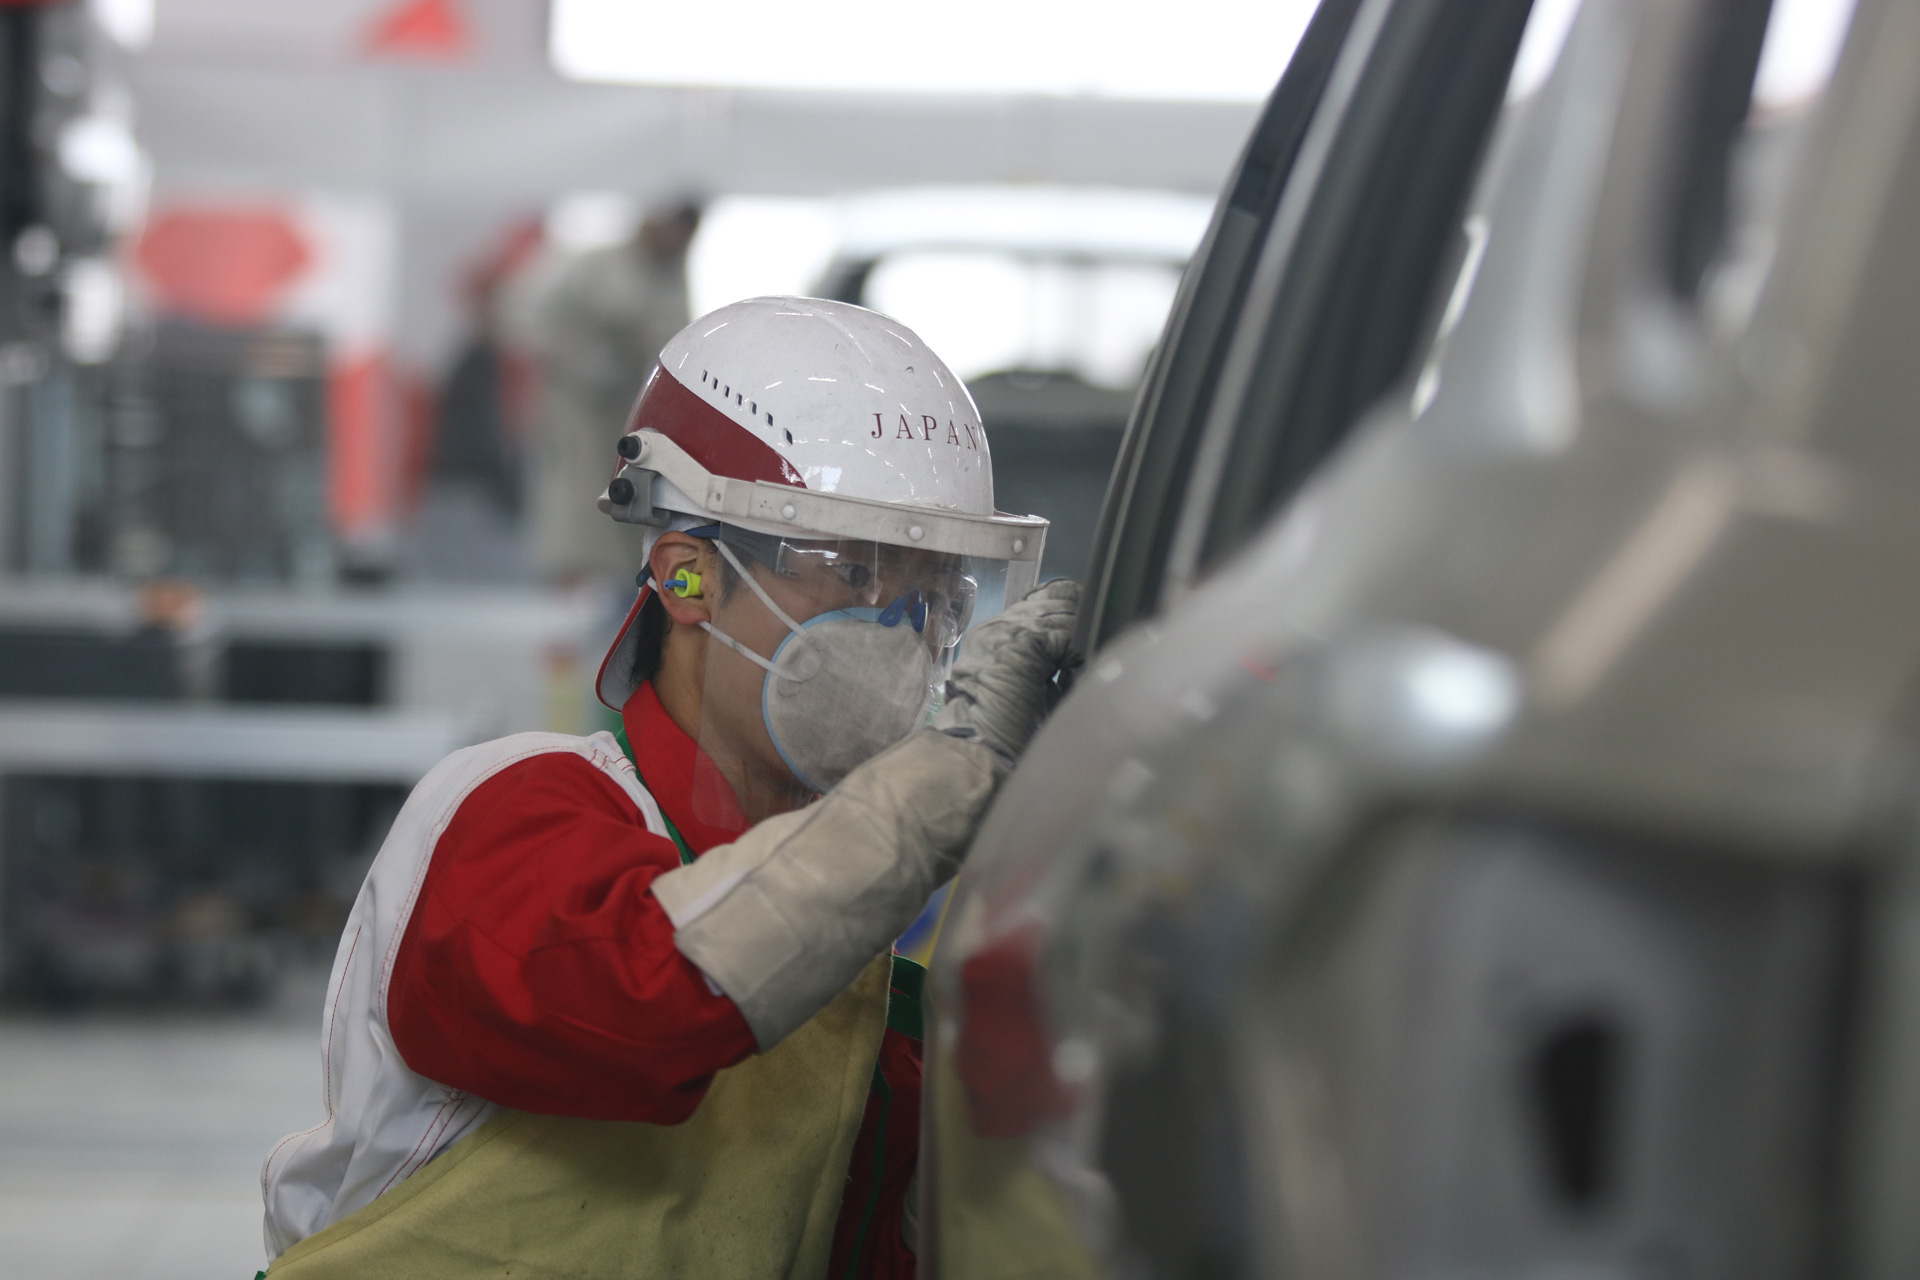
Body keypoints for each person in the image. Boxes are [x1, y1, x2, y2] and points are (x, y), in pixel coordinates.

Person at [259, 296, 1078, 1279]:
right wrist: (951, 775)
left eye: (938, 590)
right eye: (858, 572)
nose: (908, 628)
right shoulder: (513, 807)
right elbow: (645, 999)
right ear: (687, 577)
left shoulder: (860, 971)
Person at [527, 199, 702, 584]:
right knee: (576, 504)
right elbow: (537, 318)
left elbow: (675, 340)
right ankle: (572, 586)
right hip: (578, 407)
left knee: (628, 501)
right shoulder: (597, 264)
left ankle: (619, 587)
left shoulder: (671, 278)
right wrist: (587, 359)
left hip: (629, 410)